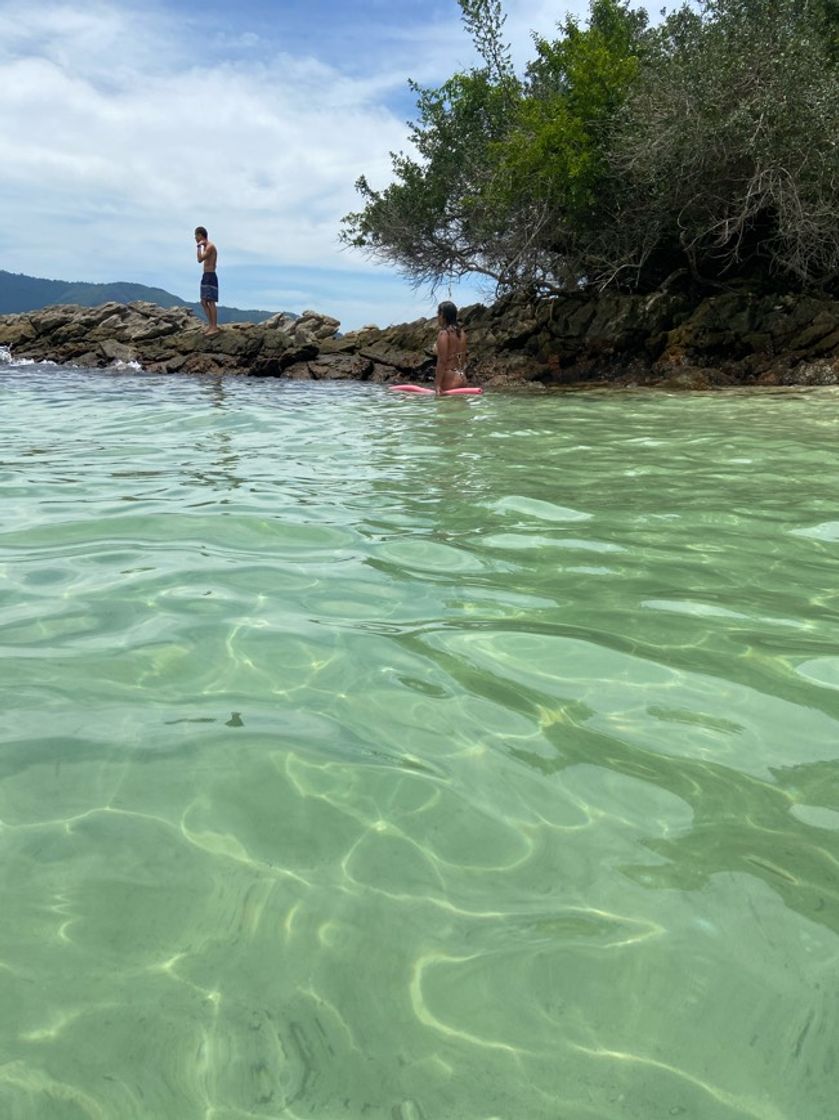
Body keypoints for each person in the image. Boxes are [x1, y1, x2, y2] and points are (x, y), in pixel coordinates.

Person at [434, 300, 467, 395]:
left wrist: (437, 385)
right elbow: (463, 360)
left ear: (443, 315)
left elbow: (442, 361)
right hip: (462, 378)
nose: (437, 317)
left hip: (450, 381)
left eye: (438, 314)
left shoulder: (444, 333)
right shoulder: (462, 334)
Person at [194, 226, 220, 335]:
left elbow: (200, 259)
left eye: (196, 235)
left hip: (210, 276)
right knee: (203, 301)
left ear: (201, 235)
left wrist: (198, 247)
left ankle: (214, 327)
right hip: (206, 275)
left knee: (211, 301)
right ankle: (210, 326)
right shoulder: (206, 246)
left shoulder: (209, 247)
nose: (195, 238)